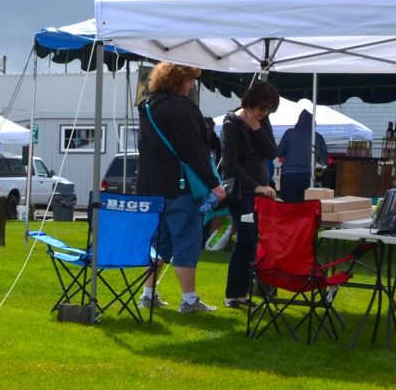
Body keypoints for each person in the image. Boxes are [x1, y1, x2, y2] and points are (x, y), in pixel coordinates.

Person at [137, 62, 227, 314]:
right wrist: (214, 184)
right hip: (180, 187)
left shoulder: (146, 106)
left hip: (152, 188)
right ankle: (189, 300)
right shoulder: (183, 108)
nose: (191, 86)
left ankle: (148, 295)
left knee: (158, 244)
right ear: (178, 81)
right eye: (189, 80)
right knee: (186, 240)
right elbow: (195, 151)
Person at [219, 80, 280, 308]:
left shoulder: (262, 123)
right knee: (245, 239)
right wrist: (255, 186)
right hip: (242, 191)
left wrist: (256, 129)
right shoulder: (231, 124)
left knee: (251, 241)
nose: (265, 113)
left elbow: (272, 152)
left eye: (270, 109)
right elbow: (231, 165)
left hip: (260, 190)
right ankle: (232, 294)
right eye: (263, 108)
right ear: (250, 103)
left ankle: (242, 294)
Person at [274, 115, 326, 202]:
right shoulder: (317, 137)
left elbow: (279, 153)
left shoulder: (289, 133)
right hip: (308, 176)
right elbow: (323, 160)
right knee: (304, 207)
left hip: (288, 175)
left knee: (288, 206)